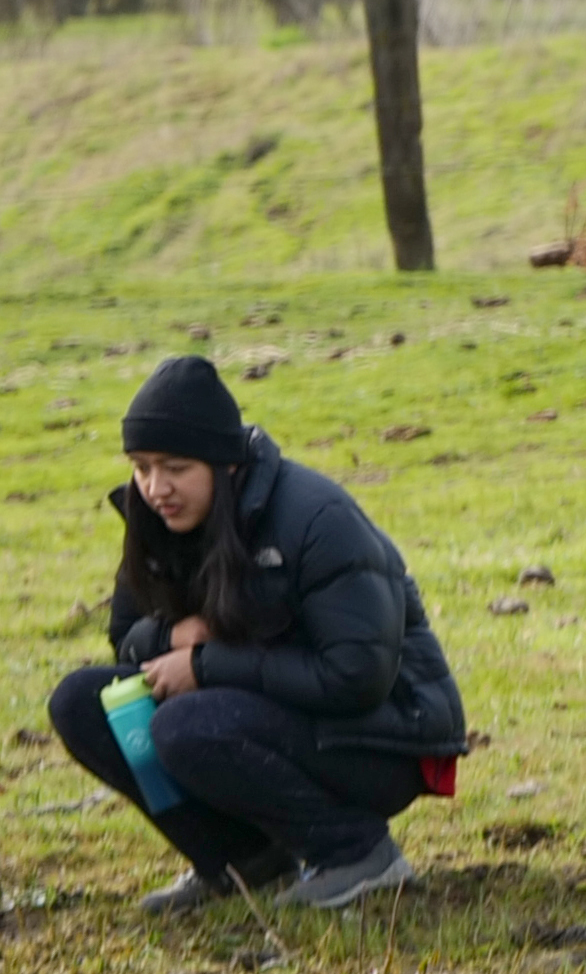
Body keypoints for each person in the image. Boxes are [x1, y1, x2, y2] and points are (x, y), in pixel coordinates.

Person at [48, 355, 463, 912]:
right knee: (82, 702)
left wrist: (205, 664)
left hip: (389, 736)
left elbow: (358, 678)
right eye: (142, 467)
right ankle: (243, 862)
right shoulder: (158, 521)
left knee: (183, 724)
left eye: (175, 467)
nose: (155, 488)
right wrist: (173, 637)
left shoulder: (316, 519)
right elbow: (126, 635)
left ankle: (356, 854)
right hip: (267, 713)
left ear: (228, 465)